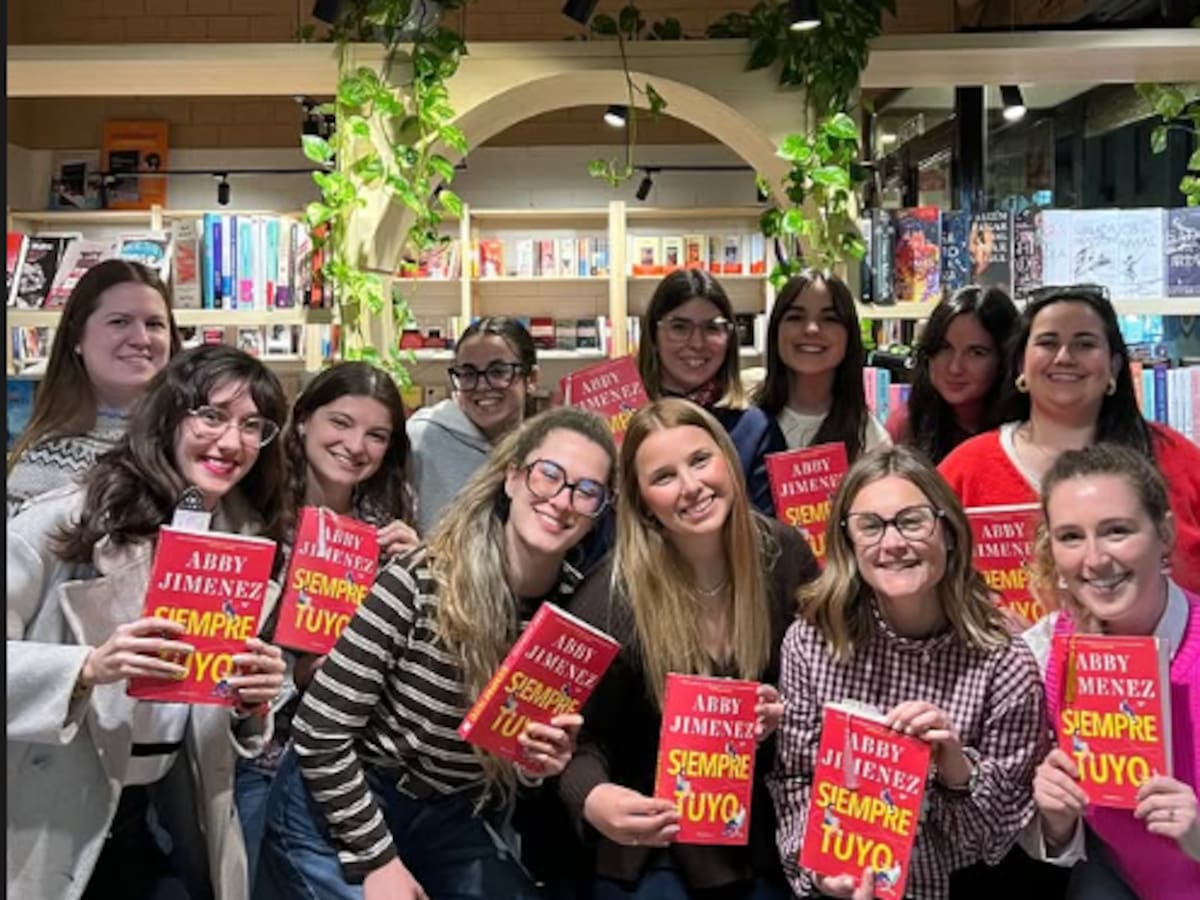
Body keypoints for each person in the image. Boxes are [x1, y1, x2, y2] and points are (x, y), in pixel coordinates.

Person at [259, 407, 618, 900]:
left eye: (587, 490)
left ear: (599, 509)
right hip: (340, 801)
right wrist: (377, 860)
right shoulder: (421, 577)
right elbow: (319, 729)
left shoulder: (571, 615)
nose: (562, 500)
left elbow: (513, 762)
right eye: (548, 475)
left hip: (448, 812)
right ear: (512, 478)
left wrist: (536, 764)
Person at [7, 344, 289, 900]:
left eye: (253, 425)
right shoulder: (61, 520)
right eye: (211, 416)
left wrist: (253, 702)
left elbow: (212, 717)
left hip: (171, 812)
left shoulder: (243, 542)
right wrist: (86, 667)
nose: (231, 443)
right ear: (167, 415)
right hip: (50, 807)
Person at [556, 398, 819, 899]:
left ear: (728, 458)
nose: (692, 487)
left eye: (700, 461)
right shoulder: (612, 594)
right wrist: (593, 797)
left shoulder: (785, 556)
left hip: (770, 837)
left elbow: (835, 685)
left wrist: (787, 712)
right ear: (642, 503)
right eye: (664, 477)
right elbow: (570, 738)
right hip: (655, 849)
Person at [769, 446, 1047, 899]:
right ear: (848, 543)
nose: (893, 542)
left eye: (913, 520)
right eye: (871, 526)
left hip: (967, 886)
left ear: (949, 532)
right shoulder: (811, 643)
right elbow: (796, 781)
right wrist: (820, 871)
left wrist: (955, 767)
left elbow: (996, 839)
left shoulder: (1005, 660)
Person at [235, 361, 421, 887]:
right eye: (340, 423)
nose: (356, 445)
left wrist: (420, 566)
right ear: (302, 422)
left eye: (377, 434)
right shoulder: (255, 512)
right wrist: (297, 674)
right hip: (259, 755)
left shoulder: (388, 518)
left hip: (351, 765)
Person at [938, 283, 1200, 595]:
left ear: (1114, 366)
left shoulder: (1179, 459)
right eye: (1048, 343)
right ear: (1021, 365)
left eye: (1084, 344)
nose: (1064, 357)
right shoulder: (965, 469)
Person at [1020, 443, 1200, 899]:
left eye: (1117, 531)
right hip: (1118, 879)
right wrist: (1056, 820)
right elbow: (1055, 844)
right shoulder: (1044, 651)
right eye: (1071, 537)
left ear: (1163, 534)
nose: (1096, 559)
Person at [7, 259, 180, 516]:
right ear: (77, 337)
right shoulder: (46, 462)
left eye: (154, 324)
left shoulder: (199, 440)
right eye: (120, 322)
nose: (142, 339)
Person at [638, 269, 785, 516]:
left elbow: (770, 534)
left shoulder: (754, 429)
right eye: (679, 327)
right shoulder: (623, 419)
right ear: (653, 335)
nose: (696, 343)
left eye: (711, 328)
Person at [407, 315, 538, 536]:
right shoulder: (422, 438)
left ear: (531, 379)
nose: (482, 386)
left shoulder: (545, 451)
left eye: (498, 372)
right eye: (468, 374)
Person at [753, 271, 890, 462]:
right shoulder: (743, 424)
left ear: (849, 335)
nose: (811, 329)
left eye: (829, 319)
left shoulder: (871, 441)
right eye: (795, 317)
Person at [886, 285, 1018, 464]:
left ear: (1005, 358)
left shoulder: (1026, 431)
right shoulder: (906, 425)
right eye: (944, 348)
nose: (955, 368)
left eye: (976, 352)